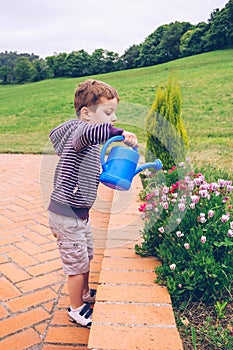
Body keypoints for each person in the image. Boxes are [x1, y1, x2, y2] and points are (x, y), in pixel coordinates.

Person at [48, 79, 138, 328]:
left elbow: (88, 163)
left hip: (78, 213)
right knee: (76, 265)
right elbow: (93, 131)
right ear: (86, 114)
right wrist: (121, 134)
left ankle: (85, 294)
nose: (114, 118)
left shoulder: (87, 141)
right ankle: (76, 308)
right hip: (67, 214)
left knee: (85, 256)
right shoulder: (82, 132)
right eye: (108, 113)